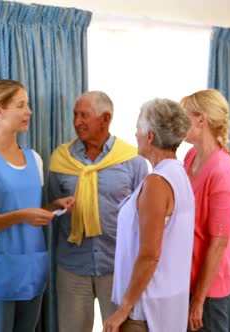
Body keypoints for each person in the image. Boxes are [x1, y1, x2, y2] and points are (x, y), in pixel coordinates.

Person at [0, 79, 74, 332]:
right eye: (21, 105)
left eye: (29, 105)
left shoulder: (34, 158)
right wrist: (24, 215)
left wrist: (51, 207)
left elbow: (30, 212)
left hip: (32, 270)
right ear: (0, 111)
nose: (29, 112)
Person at [48, 91, 149, 332]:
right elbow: (49, 207)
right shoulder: (61, 159)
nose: (77, 122)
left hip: (118, 267)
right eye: (75, 115)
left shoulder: (133, 160)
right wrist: (57, 206)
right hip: (72, 267)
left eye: (84, 115)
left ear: (105, 119)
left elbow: (145, 216)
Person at [103, 98, 195, 332]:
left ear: (150, 136)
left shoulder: (157, 183)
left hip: (144, 310)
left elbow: (149, 255)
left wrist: (123, 309)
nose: (135, 134)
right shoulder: (178, 174)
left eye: (138, 128)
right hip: (165, 300)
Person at [180, 89, 230, 332]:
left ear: (201, 120)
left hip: (210, 285)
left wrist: (199, 300)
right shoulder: (191, 156)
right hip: (187, 274)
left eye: (183, 116)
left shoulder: (222, 170)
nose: (178, 123)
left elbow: (218, 242)